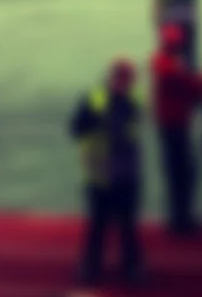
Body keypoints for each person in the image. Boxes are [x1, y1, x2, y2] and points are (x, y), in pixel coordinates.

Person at [70, 57, 143, 286]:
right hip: (100, 173)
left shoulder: (134, 101)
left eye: (128, 78)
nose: (124, 82)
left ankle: (131, 266)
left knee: (127, 225)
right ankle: (92, 265)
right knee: (98, 224)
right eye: (120, 77)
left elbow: (131, 134)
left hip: (126, 173)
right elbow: (75, 129)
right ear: (111, 77)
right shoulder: (94, 99)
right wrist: (96, 121)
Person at [151, 24, 202, 234]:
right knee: (178, 174)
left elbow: (190, 87)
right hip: (172, 127)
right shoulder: (164, 63)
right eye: (174, 42)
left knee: (183, 174)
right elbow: (186, 84)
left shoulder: (173, 63)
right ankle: (180, 220)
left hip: (179, 126)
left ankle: (182, 217)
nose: (176, 45)